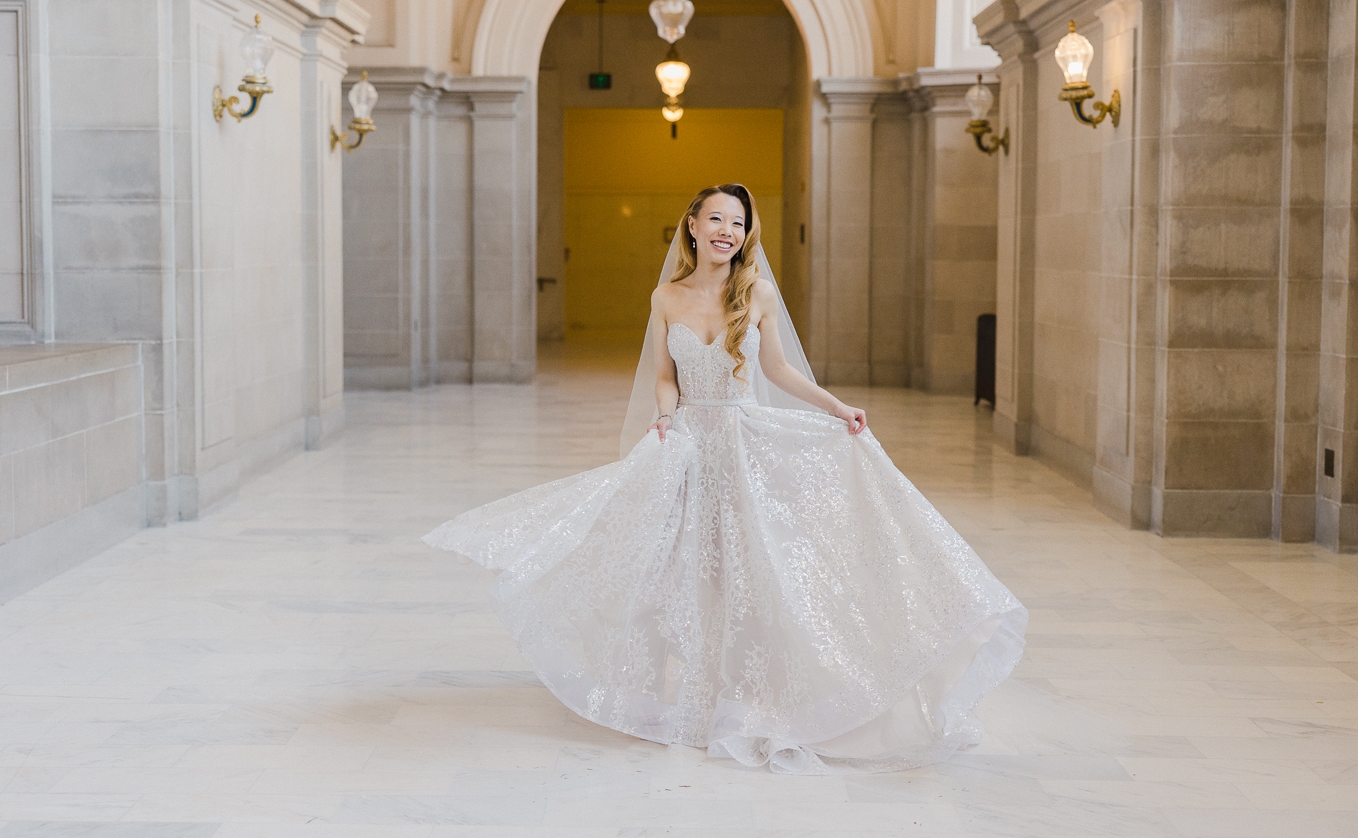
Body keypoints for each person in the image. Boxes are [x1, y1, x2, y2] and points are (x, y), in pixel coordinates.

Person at [424, 183, 1026, 774]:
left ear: (746, 234)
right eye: (716, 219)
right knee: (677, 564)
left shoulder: (756, 293)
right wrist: (664, 418)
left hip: (742, 444)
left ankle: (750, 694)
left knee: (748, 568)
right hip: (688, 442)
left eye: (737, 224)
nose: (726, 232)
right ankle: (685, 692)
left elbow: (780, 371)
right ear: (692, 224)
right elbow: (665, 376)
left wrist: (837, 408)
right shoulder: (666, 297)